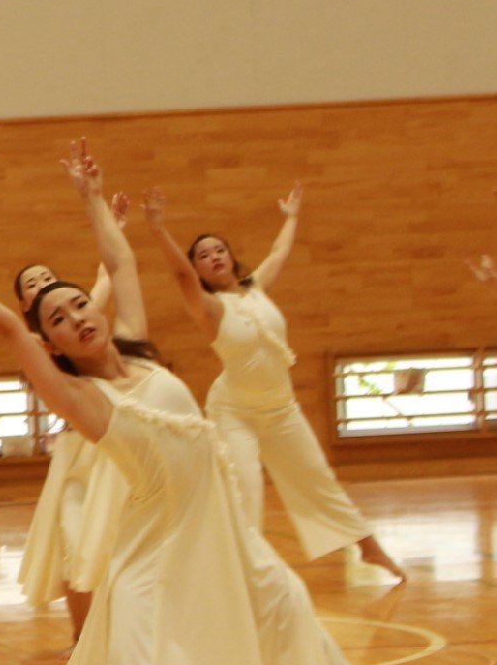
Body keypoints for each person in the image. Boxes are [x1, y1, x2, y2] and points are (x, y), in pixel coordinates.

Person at [0, 205, 443, 665]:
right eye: (59, 318)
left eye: (79, 305)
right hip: (153, 541)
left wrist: (92, 198)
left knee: (296, 624)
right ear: (51, 343)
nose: (76, 316)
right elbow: (8, 331)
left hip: (224, 532)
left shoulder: (144, 355)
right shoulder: (81, 398)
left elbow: (121, 260)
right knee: (125, 657)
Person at [144, 182, 404, 581]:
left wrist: (292, 217)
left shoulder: (256, 287)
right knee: (245, 491)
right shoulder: (209, 308)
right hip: (234, 412)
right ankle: (244, 573)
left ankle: (368, 547)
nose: (213, 257)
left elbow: (279, 252)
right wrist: (159, 230)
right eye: (202, 255)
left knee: (317, 478)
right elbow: (179, 276)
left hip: (281, 408)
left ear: (231, 257)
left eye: (219, 250)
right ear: (197, 268)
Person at [12, 145, 149, 642]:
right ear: (24, 303)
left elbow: (110, 276)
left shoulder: (80, 317)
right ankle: (81, 636)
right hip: (74, 453)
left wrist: (109, 223)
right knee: (74, 542)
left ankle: (131, 626)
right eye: (34, 284)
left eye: (49, 278)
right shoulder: (34, 342)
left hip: (113, 447)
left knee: (115, 541)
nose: (44, 284)